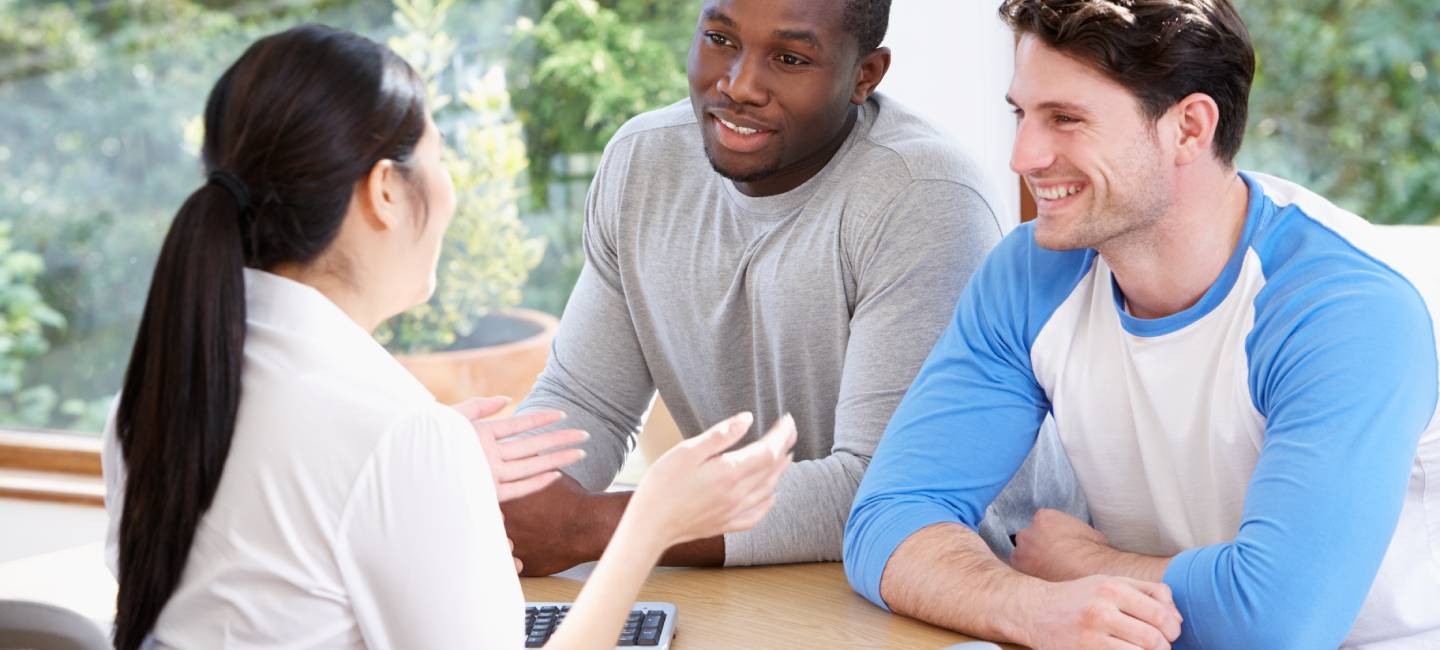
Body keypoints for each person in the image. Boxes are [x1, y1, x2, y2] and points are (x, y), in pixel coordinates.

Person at [100, 24, 795, 650]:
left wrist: (437, 477)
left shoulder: (157, 392)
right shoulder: (395, 433)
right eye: (439, 155)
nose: (451, 189)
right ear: (385, 191)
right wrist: (651, 522)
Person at [843, 1, 1440, 648]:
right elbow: (887, 522)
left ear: (1189, 128)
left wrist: (1085, 567)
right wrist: (1028, 606)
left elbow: (1275, 622)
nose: (1023, 155)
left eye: (1066, 120)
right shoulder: (1032, 274)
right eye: (1023, 114)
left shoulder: (1340, 311)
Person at [503, 0, 1085, 576]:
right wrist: (519, 499)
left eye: (789, 57)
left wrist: (590, 526)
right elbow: (587, 402)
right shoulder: (642, 162)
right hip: (757, 566)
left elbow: (881, 492)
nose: (739, 86)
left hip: (968, 584)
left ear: (865, 76)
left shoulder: (923, 196)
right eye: (721, 40)